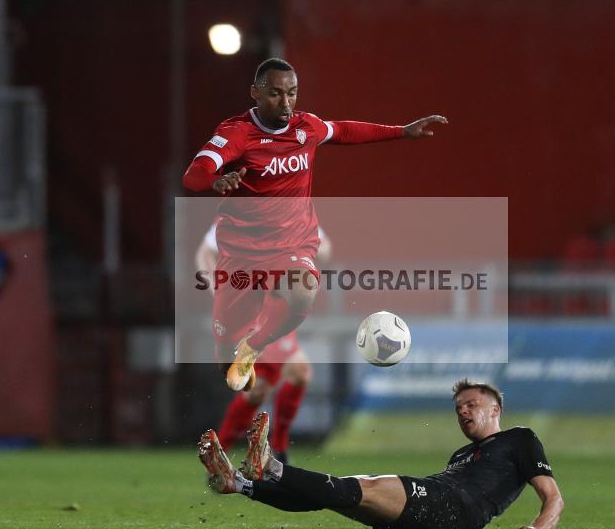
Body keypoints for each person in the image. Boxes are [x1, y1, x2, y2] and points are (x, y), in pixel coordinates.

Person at [183, 57, 447, 391]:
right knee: (231, 374)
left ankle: (255, 344)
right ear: (255, 93)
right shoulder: (237, 134)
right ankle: (238, 351)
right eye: (276, 94)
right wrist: (215, 182)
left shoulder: (306, 127)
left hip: (294, 242)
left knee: (302, 293)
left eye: (292, 93)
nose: (286, 102)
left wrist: (401, 132)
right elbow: (194, 175)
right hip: (242, 252)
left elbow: (345, 130)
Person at [198, 380, 564, 529]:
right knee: (334, 494)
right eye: (458, 408)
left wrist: (539, 526)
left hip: (459, 508)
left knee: (362, 486)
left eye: (472, 404)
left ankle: (272, 467)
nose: (463, 412)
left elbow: (553, 496)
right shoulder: (462, 453)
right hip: (441, 501)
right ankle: (241, 484)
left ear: (496, 408)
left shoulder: (520, 438)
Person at [196, 223, 333, 462]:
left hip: (277, 309)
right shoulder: (238, 214)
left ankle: (275, 448)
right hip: (249, 309)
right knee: (258, 391)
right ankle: (223, 451)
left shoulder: (293, 214)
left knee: (295, 374)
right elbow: (204, 252)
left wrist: (315, 254)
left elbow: (326, 249)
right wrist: (216, 287)